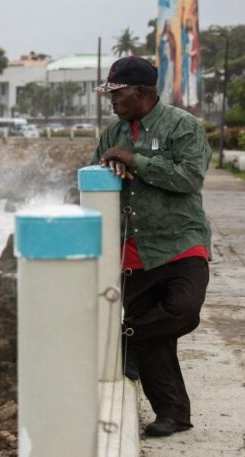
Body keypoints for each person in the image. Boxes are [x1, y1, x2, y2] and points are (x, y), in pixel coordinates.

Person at [92, 56, 211, 438]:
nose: (111, 101)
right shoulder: (113, 131)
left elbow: (190, 178)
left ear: (140, 92)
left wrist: (135, 160)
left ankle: (125, 337)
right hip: (133, 247)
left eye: (116, 93)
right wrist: (111, 165)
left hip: (180, 241)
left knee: (183, 309)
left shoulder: (183, 126)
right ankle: (173, 414)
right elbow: (98, 173)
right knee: (157, 338)